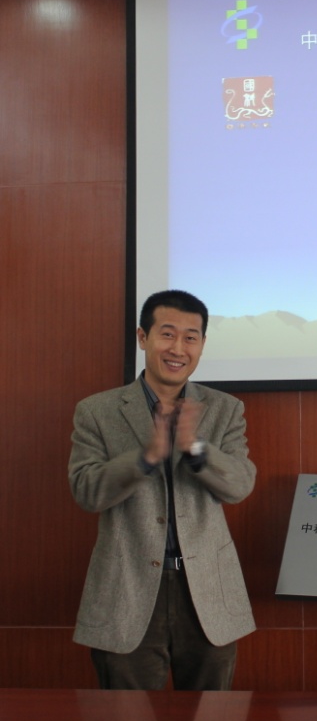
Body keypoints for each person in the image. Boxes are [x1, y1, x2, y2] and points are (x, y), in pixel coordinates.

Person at [69, 289, 256, 690]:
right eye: (167, 334)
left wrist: (196, 448)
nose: (178, 348)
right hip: (126, 591)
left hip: (207, 594)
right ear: (143, 337)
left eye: (191, 337)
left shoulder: (225, 409)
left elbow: (239, 485)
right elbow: (86, 491)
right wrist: (146, 456)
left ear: (202, 344)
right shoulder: (96, 411)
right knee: (125, 714)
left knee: (212, 714)